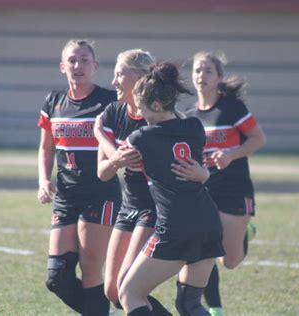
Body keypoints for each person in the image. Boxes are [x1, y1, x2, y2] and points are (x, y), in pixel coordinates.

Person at [118, 62, 224, 316]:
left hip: (175, 227)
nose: (140, 114)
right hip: (208, 222)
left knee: (129, 294)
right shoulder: (194, 128)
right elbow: (198, 169)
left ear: (155, 105)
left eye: (141, 107)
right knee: (190, 305)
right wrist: (206, 173)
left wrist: (100, 132)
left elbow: (110, 167)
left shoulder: (141, 137)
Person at [37, 39, 122, 315]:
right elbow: (46, 148)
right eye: (72, 60)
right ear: (62, 67)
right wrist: (43, 180)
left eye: (84, 60)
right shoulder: (53, 101)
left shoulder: (110, 102)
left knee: (90, 273)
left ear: (95, 66)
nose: (78, 65)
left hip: (100, 194)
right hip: (65, 196)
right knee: (57, 277)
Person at [182, 51, 266, 316]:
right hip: (203, 190)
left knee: (229, 261)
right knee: (202, 247)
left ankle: (245, 233)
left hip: (234, 189)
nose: (201, 76)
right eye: (197, 70)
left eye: (207, 71)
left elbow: (258, 139)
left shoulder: (232, 108)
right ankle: (215, 308)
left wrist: (231, 154)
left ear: (219, 77)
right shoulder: (189, 115)